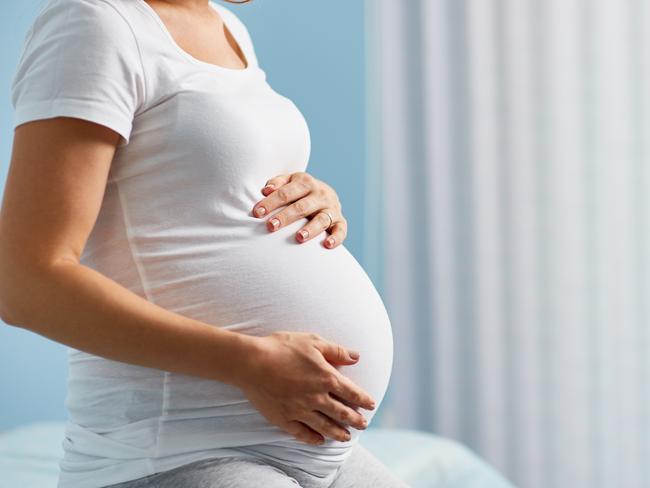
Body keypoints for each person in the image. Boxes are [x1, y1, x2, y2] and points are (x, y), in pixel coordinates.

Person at [0, 0, 405, 486]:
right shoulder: (93, 23)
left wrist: (315, 197)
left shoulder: (227, 26)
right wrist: (248, 362)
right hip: (179, 453)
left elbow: (206, 189)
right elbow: (24, 281)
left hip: (319, 451)